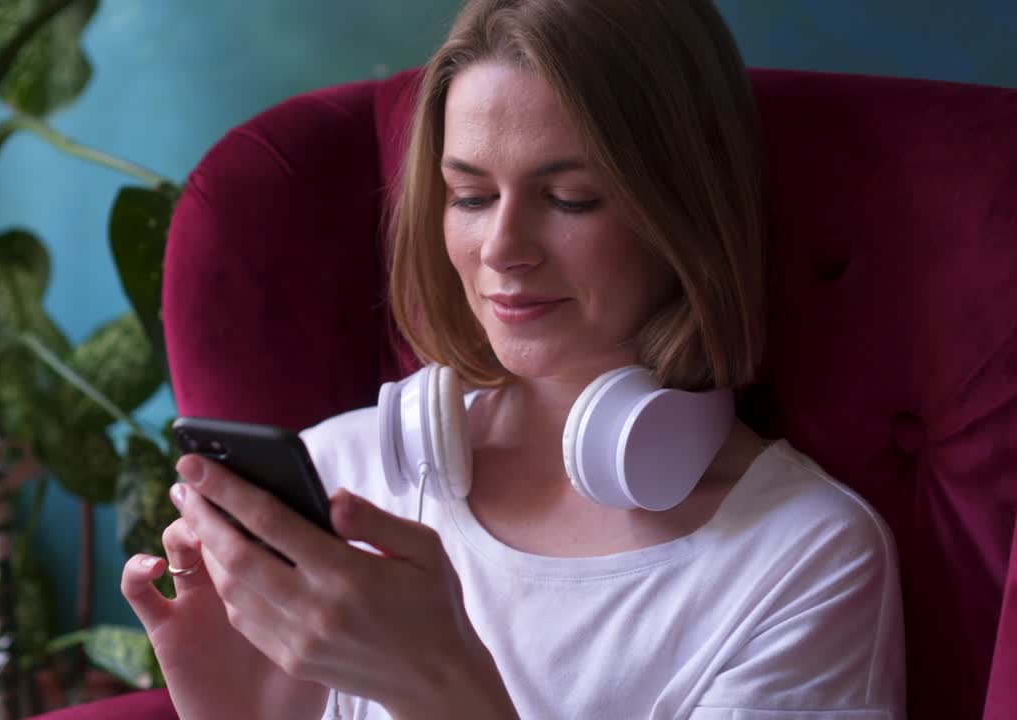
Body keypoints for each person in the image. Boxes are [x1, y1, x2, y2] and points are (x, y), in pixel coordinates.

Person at [121, 0, 907, 718]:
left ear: (684, 214)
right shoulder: (340, 478)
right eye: (470, 196)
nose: (502, 250)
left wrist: (443, 687)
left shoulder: (806, 560)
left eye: (570, 199)